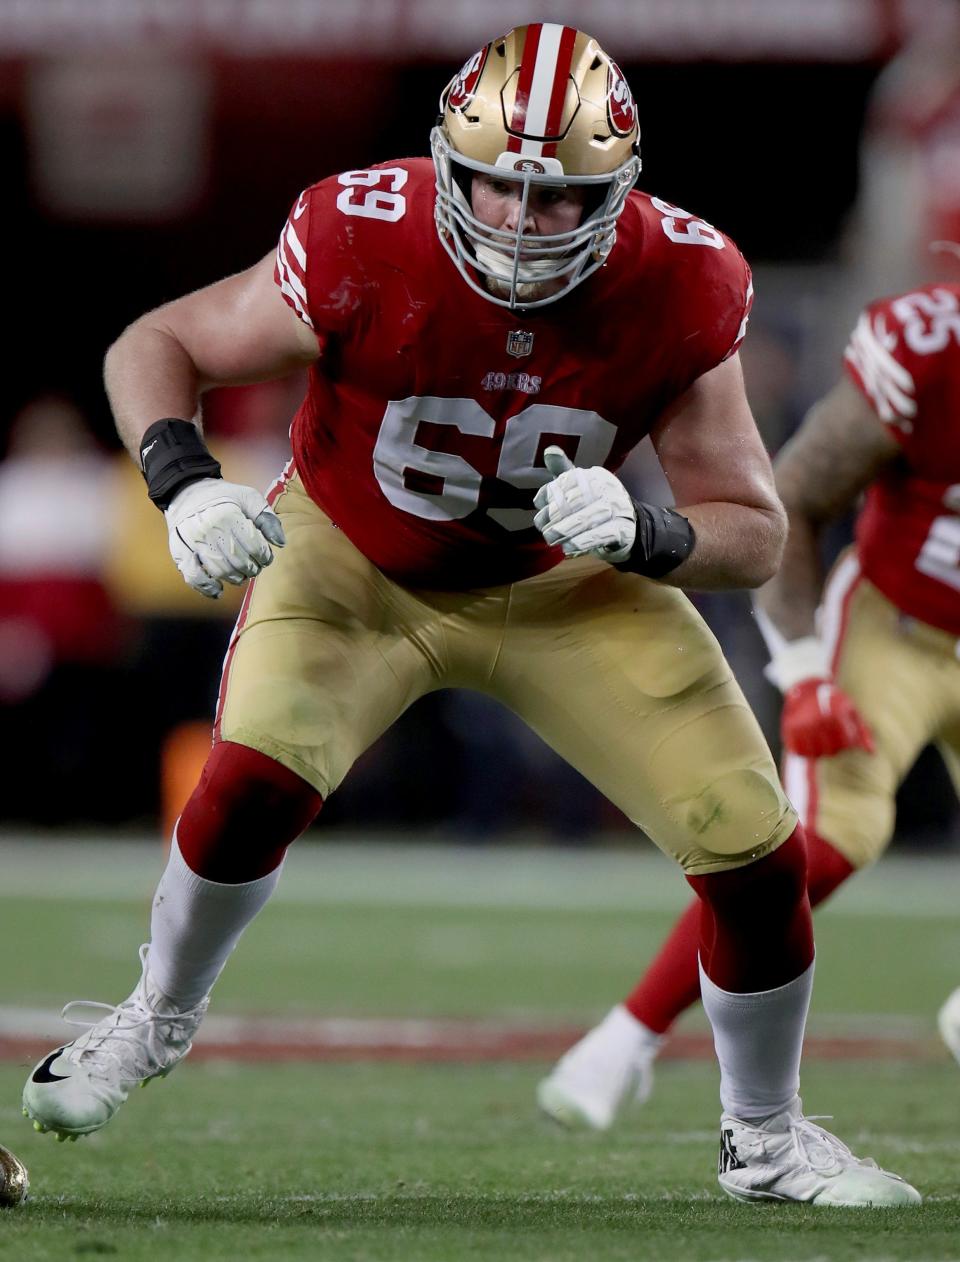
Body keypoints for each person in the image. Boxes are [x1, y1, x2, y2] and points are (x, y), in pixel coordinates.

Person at [21, 24, 917, 1206]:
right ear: (448, 160)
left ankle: (767, 1138)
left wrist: (650, 532)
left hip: (564, 588)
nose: (515, 220)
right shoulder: (359, 229)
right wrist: (183, 481)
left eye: (558, 201)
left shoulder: (684, 278)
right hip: (354, 562)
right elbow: (162, 343)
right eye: (495, 181)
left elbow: (750, 528)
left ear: (620, 195)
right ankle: (153, 1015)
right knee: (250, 779)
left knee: (755, 852)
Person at [537, 276, 960, 1134]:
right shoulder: (932, 350)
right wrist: (803, 671)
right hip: (898, 627)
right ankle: (626, 1038)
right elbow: (794, 505)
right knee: (828, 843)